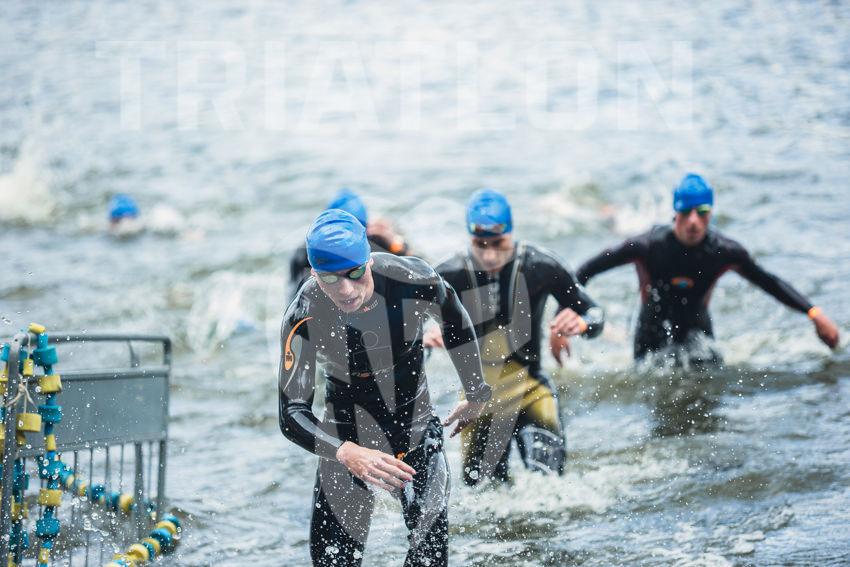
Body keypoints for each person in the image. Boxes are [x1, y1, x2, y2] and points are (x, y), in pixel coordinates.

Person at [279, 209, 492, 567]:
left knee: (429, 556)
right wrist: (346, 452)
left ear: (369, 260)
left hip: (414, 427)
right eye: (330, 279)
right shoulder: (303, 312)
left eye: (355, 273)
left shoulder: (413, 279)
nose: (346, 290)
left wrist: (476, 393)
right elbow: (290, 413)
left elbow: (455, 319)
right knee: (333, 561)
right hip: (344, 434)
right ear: (314, 273)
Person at [424, 189, 604, 485]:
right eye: (480, 244)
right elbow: (406, 337)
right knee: (482, 496)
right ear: (469, 238)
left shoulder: (541, 265)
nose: (489, 255)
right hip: (477, 399)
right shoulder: (447, 275)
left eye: (498, 243)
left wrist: (581, 324)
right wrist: (427, 339)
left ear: (511, 233)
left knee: (553, 488)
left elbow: (594, 312)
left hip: (533, 389)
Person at [575, 173, 840, 365]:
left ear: (711, 214)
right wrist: (567, 315)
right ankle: (609, 215)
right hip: (650, 332)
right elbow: (584, 271)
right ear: (675, 213)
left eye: (702, 212)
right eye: (686, 212)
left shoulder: (724, 252)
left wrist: (814, 313)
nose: (694, 221)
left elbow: (769, 282)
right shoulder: (646, 247)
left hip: (699, 333)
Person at [289, 188, 413, 300]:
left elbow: (413, 270)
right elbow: (297, 297)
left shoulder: (380, 239)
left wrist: (394, 241)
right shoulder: (306, 253)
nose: (344, 244)